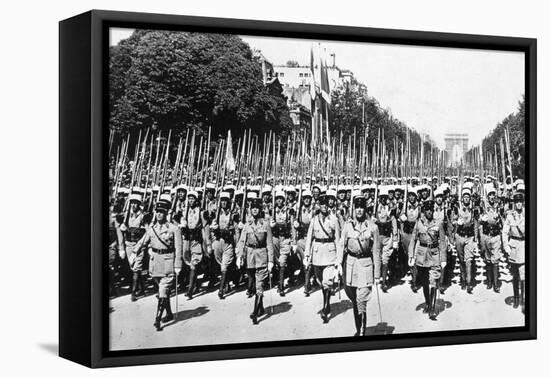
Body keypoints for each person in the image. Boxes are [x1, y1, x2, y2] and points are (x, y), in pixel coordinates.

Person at [132, 195, 183, 331]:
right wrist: (134, 252)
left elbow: (179, 248)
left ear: (166, 213)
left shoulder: (174, 229)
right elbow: (143, 241)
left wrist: (178, 264)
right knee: (162, 291)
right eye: (157, 211)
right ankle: (170, 313)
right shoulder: (153, 228)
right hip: (155, 263)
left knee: (163, 289)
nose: (159, 214)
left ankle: (157, 319)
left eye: (162, 212)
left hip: (168, 262)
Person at [340, 195, 379, 336]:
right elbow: (341, 244)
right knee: (355, 302)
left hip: (365, 265)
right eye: (357, 207)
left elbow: (376, 251)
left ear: (365, 209)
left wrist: (377, 274)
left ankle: (362, 332)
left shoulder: (373, 227)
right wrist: (339, 264)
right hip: (351, 266)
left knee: (361, 299)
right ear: (354, 208)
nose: (359, 210)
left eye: (362, 207)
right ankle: (358, 328)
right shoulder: (347, 226)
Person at [304, 194, 343, 323]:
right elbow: (309, 238)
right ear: (318, 206)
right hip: (317, 253)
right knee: (320, 280)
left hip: (330, 252)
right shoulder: (314, 220)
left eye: (326, 204)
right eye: (322, 205)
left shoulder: (334, 219)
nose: (324, 207)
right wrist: (307, 255)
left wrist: (339, 259)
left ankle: (326, 307)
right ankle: (326, 300)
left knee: (327, 281)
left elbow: (338, 239)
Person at [236, 197, 274, 325]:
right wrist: (239, 256)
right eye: (253, 208)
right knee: (253, 281)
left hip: (262, 256)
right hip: (250, 257)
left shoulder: (266, 224)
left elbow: (269, 243)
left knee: (259, 284)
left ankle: (255, 312)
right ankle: (261, 306)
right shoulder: (247, 225)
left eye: (257, 208)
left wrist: (271, 261)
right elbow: (242, 241)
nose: (255, 210)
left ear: (260, 209)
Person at [409, 200, 447, 320]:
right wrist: (411, 255)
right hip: (422, 254)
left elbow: (442, 242)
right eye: (427, 210)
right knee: (425, 282)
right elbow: (413, 240)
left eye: (431, 210)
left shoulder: (438, 224)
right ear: (424, 211)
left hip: (434, 253)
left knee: (433, 281)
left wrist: (443, 258)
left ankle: (432, 309)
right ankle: (427, 302)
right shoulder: (418, 223)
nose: (429, 212)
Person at [121, 191, 147, 301]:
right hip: (129, 244)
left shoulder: (143, 216)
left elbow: (147, 231)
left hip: (139, 244)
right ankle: (141, 288)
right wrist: (124, 228)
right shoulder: (127, 215)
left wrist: (143, 243)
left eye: (136, 203)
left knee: (137, 268)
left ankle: (134, 292)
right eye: (132, 203)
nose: (134, 205)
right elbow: (123, 228)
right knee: (133, 267)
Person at [502, 190, 526, 311]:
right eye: (516, 202)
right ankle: (516, 298)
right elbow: (505, 232)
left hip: (523, 245)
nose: (518, 204)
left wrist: (518, 221)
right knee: (515, 276)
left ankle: (524, 300)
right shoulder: (509, 215)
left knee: (523, 276)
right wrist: (506, 246)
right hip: (513, 247)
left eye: (520, 202)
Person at [452, 185, 478, 294]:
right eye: (464, 197)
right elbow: (453, 221)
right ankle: (462, 279)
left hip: (470, 237)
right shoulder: (457, 208)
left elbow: (476, 223)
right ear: (462, 198)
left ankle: (468, 282)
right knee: (461, 260)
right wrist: (456, 222)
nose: (466, 199)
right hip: (460, 236)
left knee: (469, 261)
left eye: (468, 197)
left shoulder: (473, 208)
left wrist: (476, 238)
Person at [210, 192, 236, 299]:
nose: (224, 203)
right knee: (220, 263)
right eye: (222, 201)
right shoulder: (216, 214)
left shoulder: (233, 214)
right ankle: (225, 283)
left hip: (227, 242)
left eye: (226, 200)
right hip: (217, 241)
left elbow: (236, 229)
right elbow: (211, 227)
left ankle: (221, 290)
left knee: (225, 265)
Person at [374, 186, 398, 292]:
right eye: (381, 198)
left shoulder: (390, 209)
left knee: (385, 259)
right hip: (377, 236)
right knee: (377, 259)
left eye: (385, 198)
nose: (383, 200)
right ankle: (377, 278)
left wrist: (395, 238)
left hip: (387, 237)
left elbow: (394, 223)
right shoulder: (375, 208)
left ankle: (384, 281)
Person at [479, 184, 503, 293]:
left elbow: (504, 219)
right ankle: (489, 281)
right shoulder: (483, 205)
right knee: (488, 259)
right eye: (490, 195)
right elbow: (478, 219)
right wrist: (482, 218)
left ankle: (496, 283)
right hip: (486, 235)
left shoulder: (498, 206)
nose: (492, 197)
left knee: (496, 260)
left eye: (493, 195)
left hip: (496, 235)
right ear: (487, 196)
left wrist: (500, 217)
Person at [271, 189, 293, 296]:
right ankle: (277, 280)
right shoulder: (272, 211)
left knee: (282, 261)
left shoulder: (288, 211)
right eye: (277, 199)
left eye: (281, 199)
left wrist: (293, 241)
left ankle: (281, 286)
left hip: (285, 238)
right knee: (276, 261)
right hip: (275, 238)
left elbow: (292, 225)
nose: (279, 201)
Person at [294, 189, 315, 296]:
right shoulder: (299, 209)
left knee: (309, 259)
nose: (307, 200)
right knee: (303, 257)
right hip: (302, 238)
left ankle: (307, 284)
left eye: (308, 198)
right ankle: (305, 278)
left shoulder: (315, 210)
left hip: (312, 238)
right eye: (305, 198)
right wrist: (296, 225)